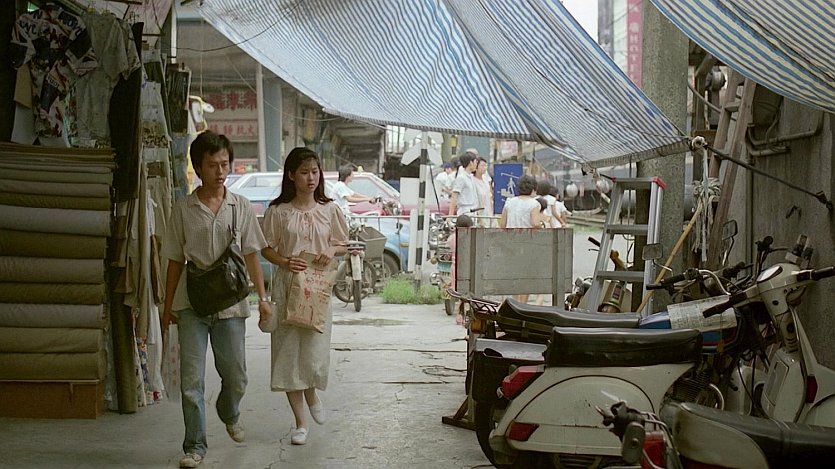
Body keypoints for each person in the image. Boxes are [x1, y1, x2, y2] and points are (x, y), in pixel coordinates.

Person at [161, 131, 271, 469]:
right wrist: (166, 306)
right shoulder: (183, 209)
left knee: (236, 375)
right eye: (213, 165)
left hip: (231, 304)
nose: (221, 171)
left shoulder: (240, 207)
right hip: (191, 304)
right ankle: (194, 446)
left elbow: (251, 254)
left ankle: (229, 410)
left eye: (225, 164)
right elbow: (174, 260)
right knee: (192, 381)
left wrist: (263, 298)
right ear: (198, 167)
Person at [260, 148, 349, 446]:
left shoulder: (330, 209)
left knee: (312, 350)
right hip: (287, 286)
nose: (311, 178)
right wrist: (284, 261)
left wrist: (330, 250)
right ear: (291, 175)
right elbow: (265, 247)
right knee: (287, 353)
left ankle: (312, 394)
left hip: (317, 289)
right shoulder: (278, 211)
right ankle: (300, 423)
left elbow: (343, 243)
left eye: (315, 171)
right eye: (304, 172)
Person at [499, 175, 542, 304]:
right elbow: (535, 223)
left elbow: (502, 224)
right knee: (525, 276)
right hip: (527, 244)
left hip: (510, 244)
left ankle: (515, 302)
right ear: (533, 189)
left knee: (515, 274)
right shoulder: (534, 204)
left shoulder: (509, 202)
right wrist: (542, 224)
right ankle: (522, 304)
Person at [448, 152, 478, 216]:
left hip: (473, 210)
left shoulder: (471, 177)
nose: (476, 165)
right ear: (471, 163)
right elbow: (454, 196)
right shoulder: (461, 178)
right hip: (464, 211)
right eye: (475, 162)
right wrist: (450, 215)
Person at [473, 157, 493, 226]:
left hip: (488, 212)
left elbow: (489, 195)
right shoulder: (472, 181)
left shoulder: (485, 179)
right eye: (482, 165)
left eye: (485, 165)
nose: (485, 168)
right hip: (479, 214)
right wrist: (480, 218)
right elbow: (475, 201)